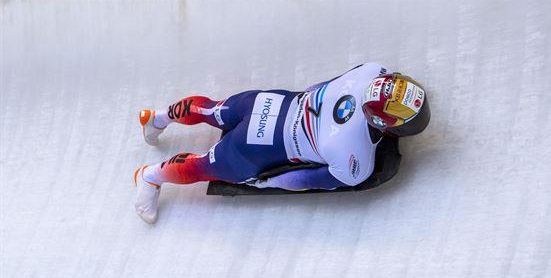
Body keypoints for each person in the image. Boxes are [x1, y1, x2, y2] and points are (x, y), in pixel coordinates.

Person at [133, 62, 430, 223]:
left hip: (269, 103)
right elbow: (304, 180)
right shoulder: (355, 160)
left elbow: (320, 86)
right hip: (258, 145)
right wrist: (266, 184)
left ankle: (157, 117)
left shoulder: (371, 70)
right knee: (203, 167)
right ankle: (150, 176)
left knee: (212, 109)